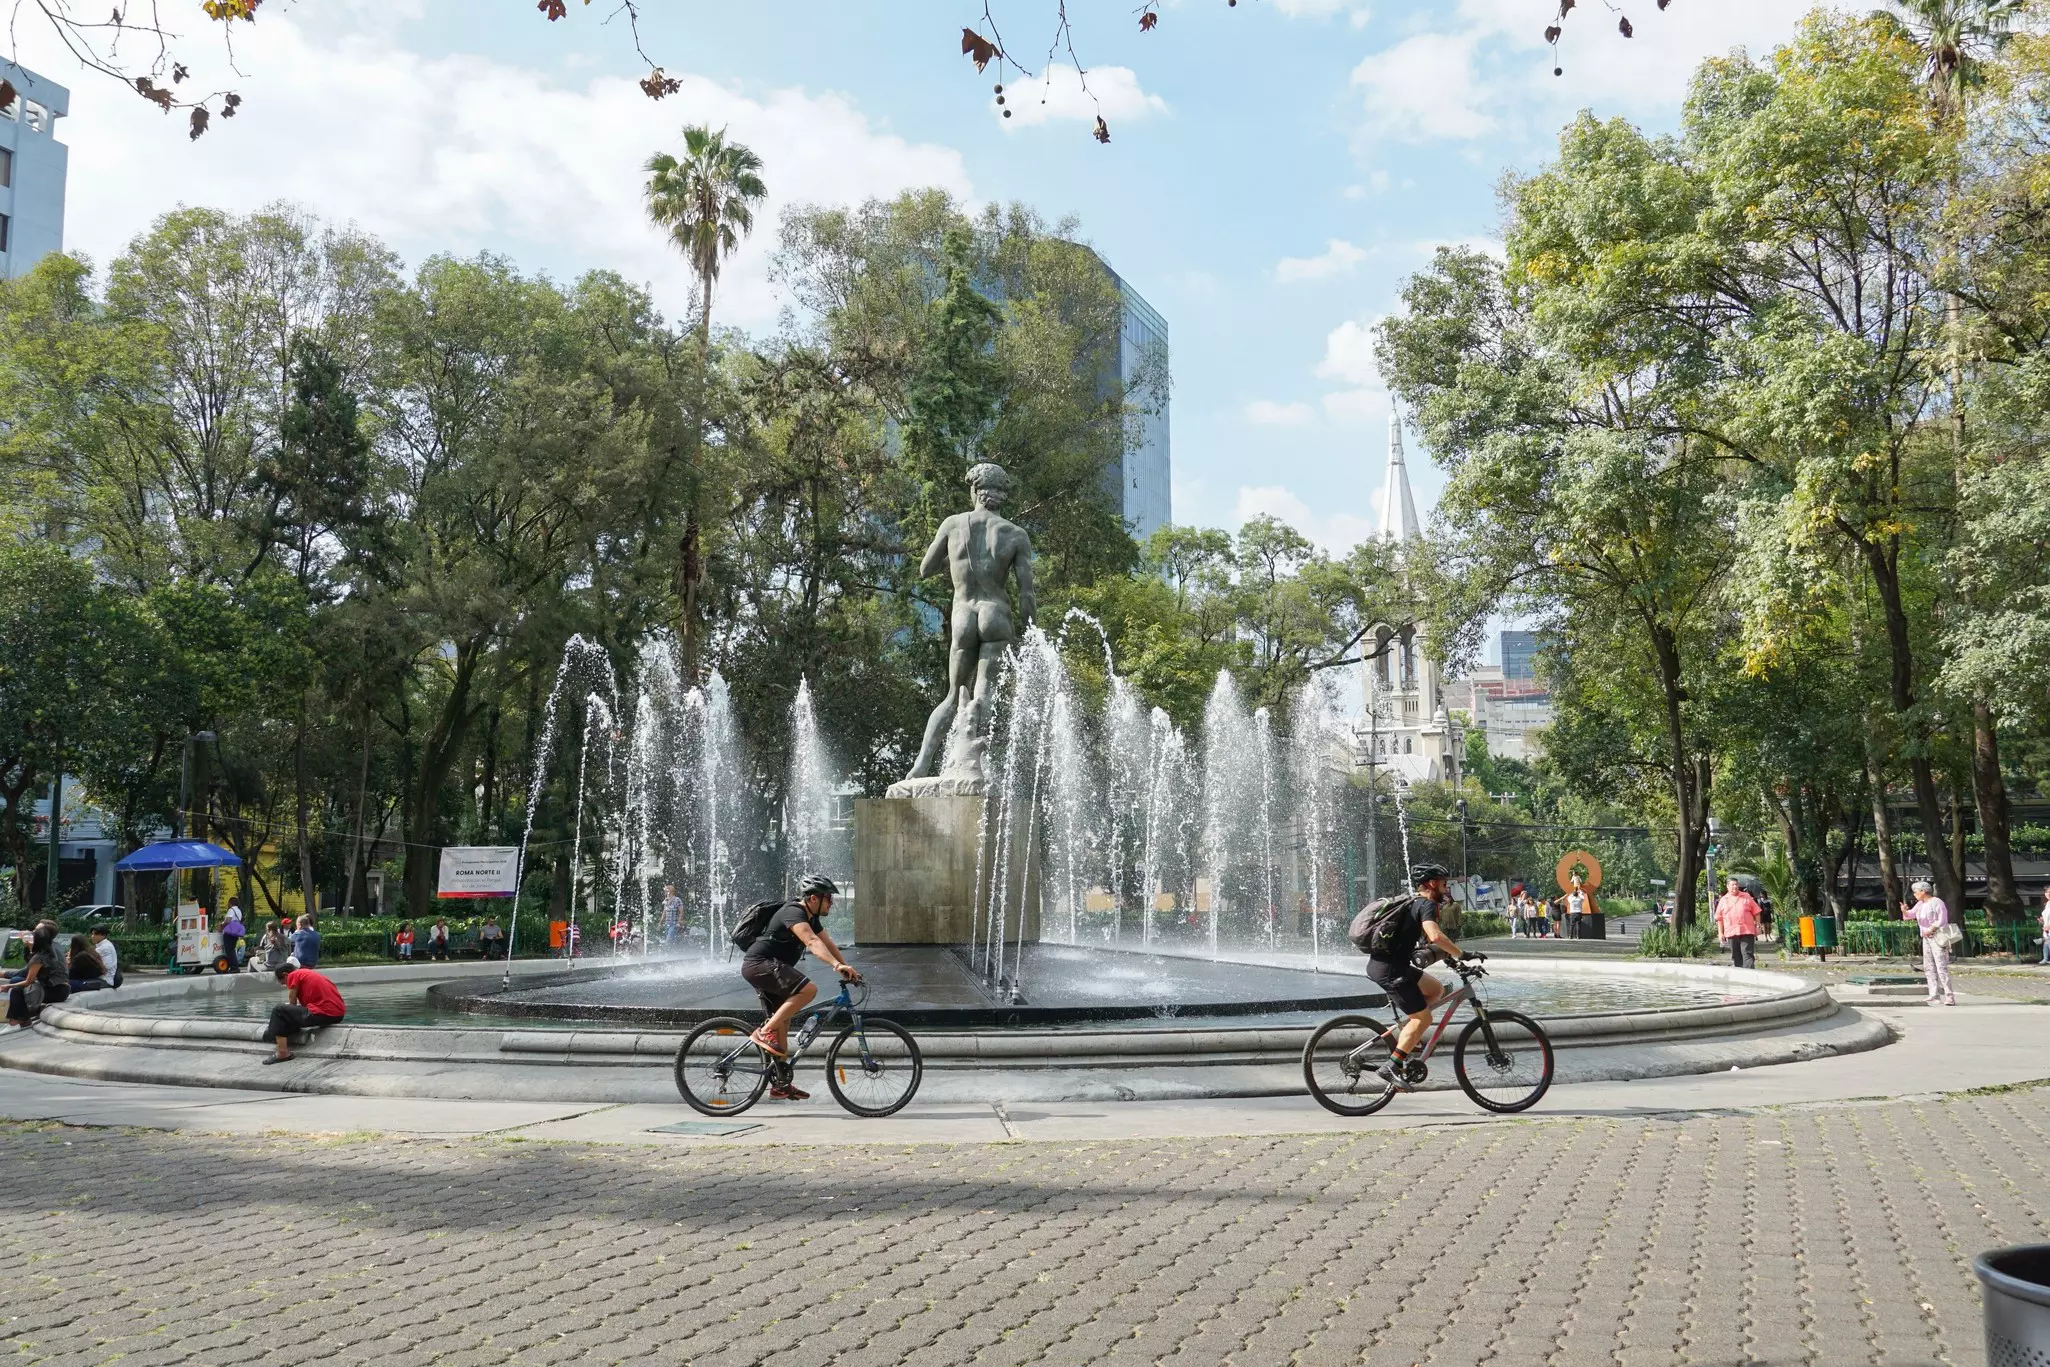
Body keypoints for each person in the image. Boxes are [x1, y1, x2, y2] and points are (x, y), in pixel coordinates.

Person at [742, 874, 859, 1102]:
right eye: (828, 898)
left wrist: (846, 965)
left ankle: (780, 1083)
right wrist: (835, 965)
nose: (831, 903)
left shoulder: (811, 918)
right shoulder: (793, 912)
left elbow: (827, 942)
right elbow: (812, 942)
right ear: (813, 899)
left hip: (772, 968)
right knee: (809, 990)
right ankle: (763, 1032)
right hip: (760, 965)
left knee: (783, 1022)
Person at [1359, 862, 1472, 1089]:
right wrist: (1462, 954)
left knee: (1436, 990)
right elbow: (1436, 936)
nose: (1446, 888)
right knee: (1424, 1018)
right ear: (1431, 884)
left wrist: (1450, 959)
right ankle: (1391, 1065)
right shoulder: (1426, 905)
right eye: (1443, 883)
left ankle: (1408, 1035)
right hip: (1390, 970)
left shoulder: (1413, 902)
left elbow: (1430, 943)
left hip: (1388, 965)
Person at [262, 958, 346, 1064]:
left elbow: (292, 1001)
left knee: (278, 1010)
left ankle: (282, 1052)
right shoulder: (307, 973)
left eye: (283, 983)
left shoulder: (293, 975)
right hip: (337, 1014)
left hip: (323, 1012)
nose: (286, 986)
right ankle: (278, 1035)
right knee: (288, 1013)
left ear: (285, 975)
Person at [1900, 879, 1956, 1006]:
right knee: (1928, 966)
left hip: (1937, 937)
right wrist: (1904, 910)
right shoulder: (1920, 904)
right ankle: (1933, 994)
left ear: (1923, 891)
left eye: (1916, 891)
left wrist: (1931, 929)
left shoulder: (1937, 902)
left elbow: (1942, 919)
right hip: (1926, 938)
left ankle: (1949, 995)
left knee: (1941, 966)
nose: (1914, 894)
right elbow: (1910, 915)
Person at [4, 923, 67, 1026]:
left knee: (17, 990)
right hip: (60, 989)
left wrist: (6, 986)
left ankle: (22, 1019)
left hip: (55, 991)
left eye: (33, 934)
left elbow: (28, 979)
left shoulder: (40, 956)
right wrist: (28, 948)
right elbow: (30, 966)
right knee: (19, 986)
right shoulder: (50, 949)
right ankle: (21, 1018)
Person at [1714, 877, 1763, 970]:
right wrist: (1720, 933)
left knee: (1747, 954)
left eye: (1736, 884)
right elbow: (1719, 918)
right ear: (1728, 886)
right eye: (1732, 885)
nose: (1735, 886)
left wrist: (1758, 926)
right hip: (1731, 932)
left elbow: (1756, 912)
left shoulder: (1746, 896)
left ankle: (1749, 976)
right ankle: (1740, 975)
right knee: (1736, 956)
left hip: (1746, 930)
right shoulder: (1723, 900)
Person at [219, 901, 244, 973]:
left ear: (230, 903)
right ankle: (234, 967)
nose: (228, 905)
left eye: (228, 903)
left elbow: (228, 920)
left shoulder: (231, 909)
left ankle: (234, 967)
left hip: (229, 932)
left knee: (229, 950)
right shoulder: (239, 910)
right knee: (232, 949)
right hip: (235, 932)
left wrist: (221, 925)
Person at [2039, 886, 2050, 966]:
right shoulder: (2047, 904)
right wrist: (2042, 920)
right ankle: (2046, 958)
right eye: (2046, 892)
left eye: (2049, 892)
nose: (2048, 893)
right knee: (2046, 943)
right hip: (2046, 928)